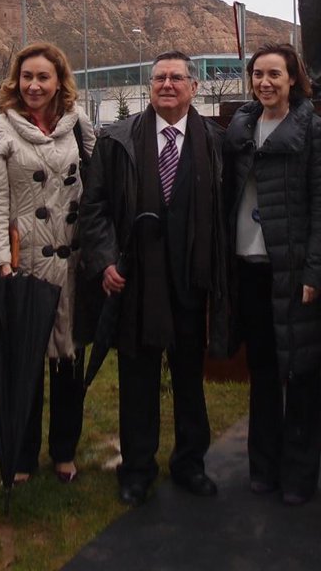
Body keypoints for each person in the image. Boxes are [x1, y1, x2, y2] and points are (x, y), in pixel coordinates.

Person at [78, 51, 228, 506]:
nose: (167, 84)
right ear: (150, 85)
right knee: (138, 379)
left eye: (176, 78)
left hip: (192, 280)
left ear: (193, 87)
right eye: (159, 77)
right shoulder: (117, 139)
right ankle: (137, 468)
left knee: (189, 377)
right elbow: (95, 208)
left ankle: (190, 463)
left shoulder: (216, 141)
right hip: (136, 283)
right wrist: (105, 260)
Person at [223, 42, 321, 506]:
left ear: (294, 78)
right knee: (263, 371)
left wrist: (316, 270)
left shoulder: (313, 131)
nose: (265, 82)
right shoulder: (241, 128)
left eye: (275, 74)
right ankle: (263, 466)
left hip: (293, 272)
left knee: (303, 373)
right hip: (249, 268)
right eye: (258, 74)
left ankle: (300, 474)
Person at [0, 42, 96, 485]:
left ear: (59, 81)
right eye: (27, 76)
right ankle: (22, 455)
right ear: (16, 80)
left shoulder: (79, 126)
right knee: (23, 364)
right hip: (23, 261)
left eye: (43, 77)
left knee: (69, 360)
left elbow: (93, 188)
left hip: (72, 260)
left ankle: (64, 451)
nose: (34, 85)